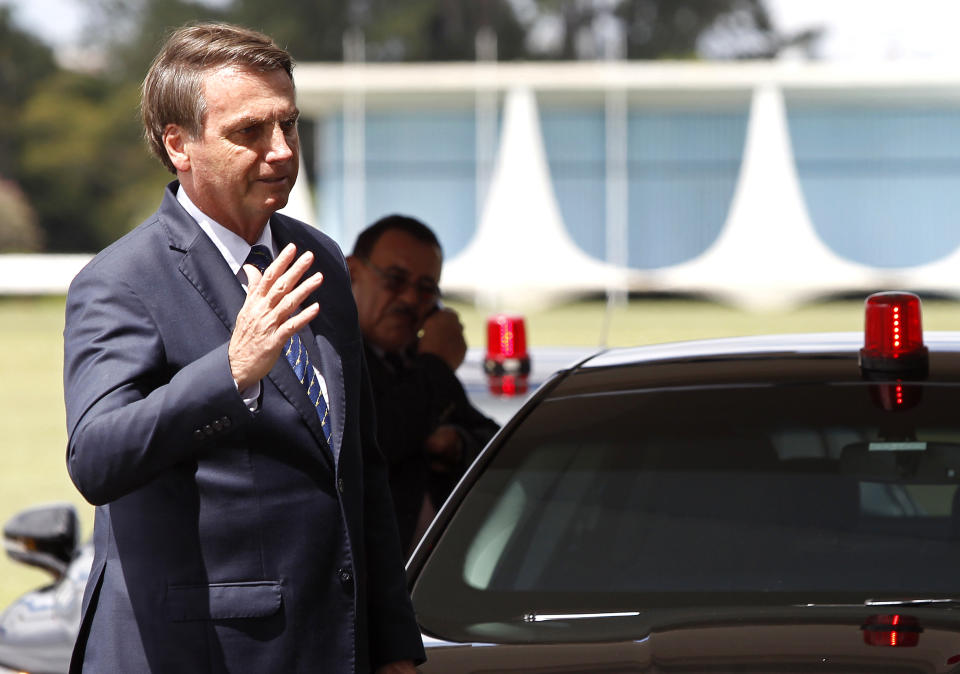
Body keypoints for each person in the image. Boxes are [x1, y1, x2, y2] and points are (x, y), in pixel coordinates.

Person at [62, 23, 423, 673]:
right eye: (250, 131)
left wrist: (393, 647)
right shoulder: (121, 281)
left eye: (290, 125)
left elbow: (357, 473)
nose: (282, 151)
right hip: (200, 654)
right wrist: (231, 370)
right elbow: (97, 457)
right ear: (180, 145)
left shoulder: (319, 262)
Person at [347, 216, 499, 555]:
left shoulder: (412, 361)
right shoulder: (325, 354)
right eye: (395, 280)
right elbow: (375, 441)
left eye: (426, 289)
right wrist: (438, 365)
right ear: (352, 272)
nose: (411, 300)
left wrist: (456, 445)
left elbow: (492, 441)